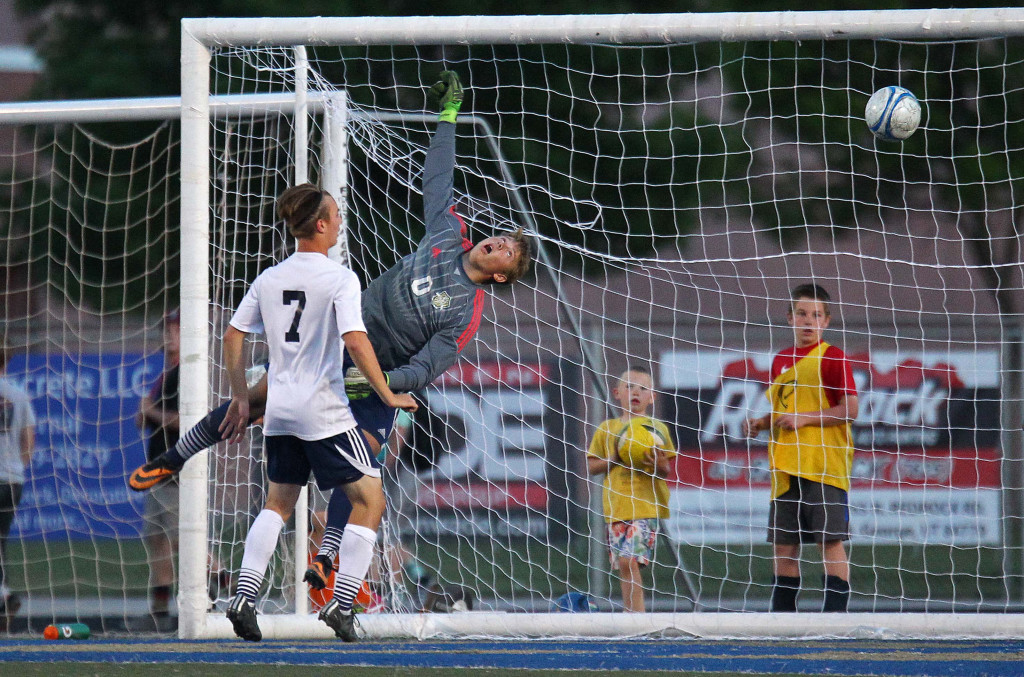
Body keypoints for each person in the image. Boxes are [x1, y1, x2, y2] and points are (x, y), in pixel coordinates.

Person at [129, 71, 531, 594]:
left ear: (500, 274)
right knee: (254, 401)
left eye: (502, 249)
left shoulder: (466, 311)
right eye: (496, 237)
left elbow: (428, 366)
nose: (492, 242)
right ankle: (174, 456)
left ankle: (326, 558)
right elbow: (438, 179)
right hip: (337, 348)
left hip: (375, 378)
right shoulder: (448, 233)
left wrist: (384, 381)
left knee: (363, 471)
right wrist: (447, 118)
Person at [220, 182, 416, 643]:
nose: (341, 221)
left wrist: (242, 397)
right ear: (322, 225)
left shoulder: (269, 277)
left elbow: (232, 336)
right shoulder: (340, 278)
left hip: (281, 412)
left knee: (278, 503)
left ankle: (244, 597)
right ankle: (343, 603)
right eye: (337, 215)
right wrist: (387, 394)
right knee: (372, 501)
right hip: (324, 411)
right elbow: (354, 340)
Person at [742, 283, 859, 613]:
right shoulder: (780, 360)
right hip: (785, 469)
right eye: (802, 314)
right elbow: (784, 413)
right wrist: (761, 423)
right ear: (790, 318)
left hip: (823, 466)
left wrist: (804, 419)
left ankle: (834, 619)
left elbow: (850, 410)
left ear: (827, 321)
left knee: (830, 541)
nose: (809, 321)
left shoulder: (832, 357)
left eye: (816, 315)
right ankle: (782, 622)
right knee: (784, 547)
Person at [586, 366, 676, 613]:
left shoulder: (656, 430)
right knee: (624, 566)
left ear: (652, 397)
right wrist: (614, 458)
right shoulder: (607, 429)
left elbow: (666, 468)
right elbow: (593, 466)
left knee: (629, 560)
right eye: (629, 387)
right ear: (617, 393)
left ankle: (639, 617)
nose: (636, 392)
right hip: (616, 509)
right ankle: (630, 613)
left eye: (643, 388)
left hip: (646, 507)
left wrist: (656, 463)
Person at [134, 310, 182, 628]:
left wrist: (151, 411)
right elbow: (142, 420)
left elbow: (185, 421)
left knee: (182, 540)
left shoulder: (188, 374)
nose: (167, 335)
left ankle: (224, 585)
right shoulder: (164, 376)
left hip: (178, 469)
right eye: (165, 329)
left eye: (174, 329)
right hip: (157, 468)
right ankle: (159, 611)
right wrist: (146, 413)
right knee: (157, 541)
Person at [0, 340, 35, 631]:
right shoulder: (19, 394)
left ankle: (5, 595)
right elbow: (29, 442)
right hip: (12, 479)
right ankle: (4, 597)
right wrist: (17, 466)